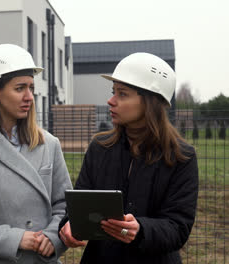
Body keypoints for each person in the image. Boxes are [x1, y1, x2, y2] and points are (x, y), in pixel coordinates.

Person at [58, 52, 199, 263]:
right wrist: (69, 225)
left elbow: (178, 227)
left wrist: (141, 230)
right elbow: (78, 207)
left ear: (150, 102)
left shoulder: (181, 157)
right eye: (113, 92)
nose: (111, 100)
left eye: (122, 94)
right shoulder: (99, 149)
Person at [0, 44, 73, 263]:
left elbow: (65, 206)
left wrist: (52, 237)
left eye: (31, 88)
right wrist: (15, 239)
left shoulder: (49, 144)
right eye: (19, 88)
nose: (29, 97)